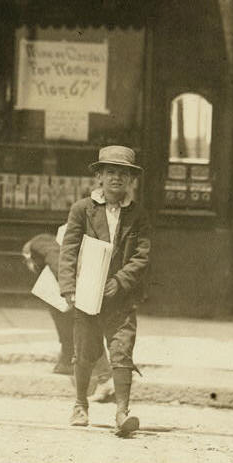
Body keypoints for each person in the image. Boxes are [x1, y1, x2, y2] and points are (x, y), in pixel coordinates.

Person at [58, 145, 150, 438]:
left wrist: (120, 281)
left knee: (122, 350)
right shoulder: (82, 210)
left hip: (121, 299)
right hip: (87, 296)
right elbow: (69, 251)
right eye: (111, 172)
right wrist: (69, 288)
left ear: (131, 180)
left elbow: (142, 256)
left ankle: (122, 412)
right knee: (84, 351)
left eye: (123, 174)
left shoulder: (137, 214)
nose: (116, 179)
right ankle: (80, 404)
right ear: (99, 176)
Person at [22, 229, 115, 402]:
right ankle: (67, 362)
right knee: (73, 328)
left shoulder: (37, 243)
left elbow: (55, 258)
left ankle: (105, 377)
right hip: (72, 287)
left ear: (26, 256)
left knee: (85, 331)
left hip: (72, 289)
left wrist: (68, 287)